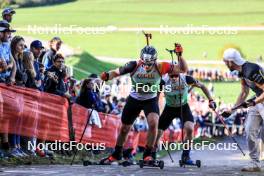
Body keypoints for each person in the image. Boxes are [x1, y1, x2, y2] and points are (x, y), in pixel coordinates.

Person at [99, 44, 188, 163]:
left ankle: (148, 154)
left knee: (153, 123)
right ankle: (117, 154)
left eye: (149, 64)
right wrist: (107, 76)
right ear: (141, 59)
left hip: (150, 100)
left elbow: (182, 69)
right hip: (134, 99)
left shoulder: (161, 66)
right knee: (125, 128)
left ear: (154, 61)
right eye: (144, 63)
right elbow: (117, 72)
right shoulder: (133, 65)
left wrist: (179, 55)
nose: (146, 66)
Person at [153, 70, 216, 163]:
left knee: (190, 129)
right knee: (158, 132)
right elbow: (156, 96)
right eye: (172, 76)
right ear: (168, 75)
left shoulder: (186, 79)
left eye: (176, 75)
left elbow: (202, 86)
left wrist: (211, 100)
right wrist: (155, 110)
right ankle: (152, 154)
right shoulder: (163, 81)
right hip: (169, 108)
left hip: (183, 107)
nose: (174, 78)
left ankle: (186, 156)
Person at [222, 48, 264, 172]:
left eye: (225, 62)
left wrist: (254, 102)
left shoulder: (251, 70)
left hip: (258, 100)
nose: (225, 64)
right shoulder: (241, 72)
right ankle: (255, 162)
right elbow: (244, 93)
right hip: (258, 100)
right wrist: (232, 110)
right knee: (249, 129)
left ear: (230, 62)